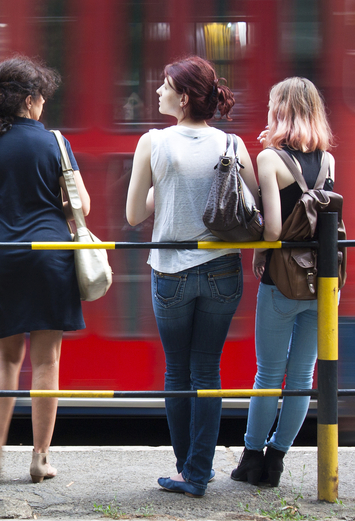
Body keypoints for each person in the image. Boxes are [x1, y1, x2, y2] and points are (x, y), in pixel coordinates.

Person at [125, 56, 257, 498]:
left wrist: (164, 185)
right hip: (223, 271)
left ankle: (189, 472)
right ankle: (199, 469)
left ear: (182, 98)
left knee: (178, 372)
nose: (157, 91)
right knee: (208, 371)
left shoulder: (153, 142)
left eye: (163, 86)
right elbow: (248, 203)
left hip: (171, 273)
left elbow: (131, 215)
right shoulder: (233, 145)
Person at [0, 55, 87, 483]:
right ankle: (40, 458)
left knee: (5, 356)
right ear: (31, 99)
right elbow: (80, 206)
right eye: (42, 99)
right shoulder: (55, 142)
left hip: (3, 258)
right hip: (51, 254)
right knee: (47, 359)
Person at [231, 77, 336, 488]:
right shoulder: (327, 160)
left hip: (281, 281)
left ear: (281, 111)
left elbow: (273, 230)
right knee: (302, 376)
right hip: (321, 282)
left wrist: (259, 250)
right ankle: (275, 462)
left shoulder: (270, 159)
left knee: (268, 373)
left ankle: (251, 458)